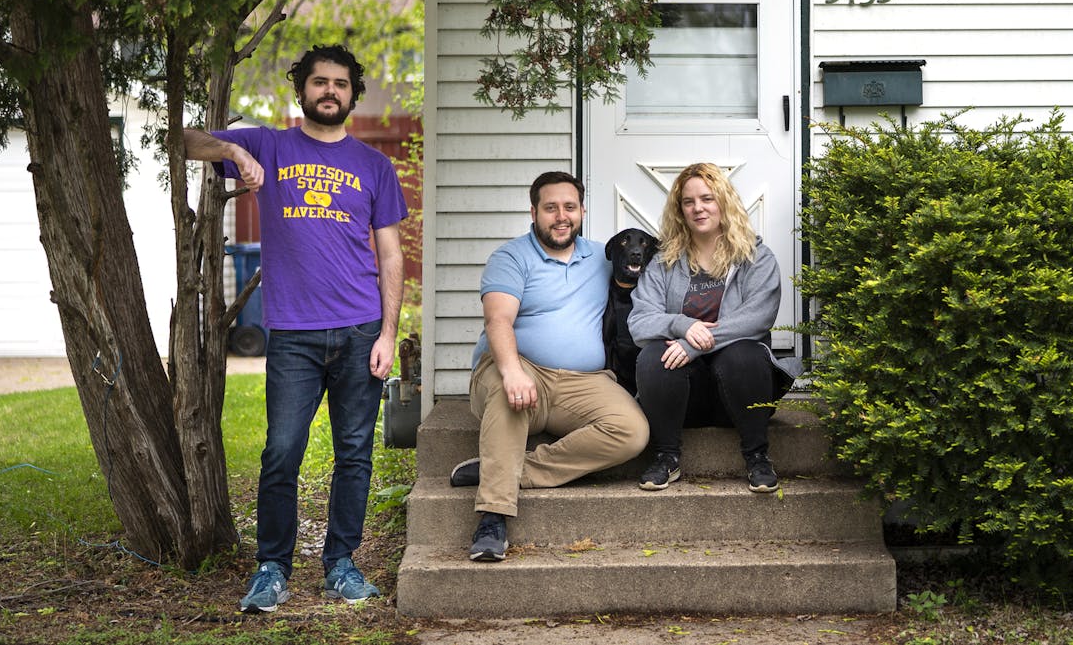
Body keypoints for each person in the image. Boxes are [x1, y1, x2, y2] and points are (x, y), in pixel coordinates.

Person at [183, 45, 408, 613]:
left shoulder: (374, 165)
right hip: (293, 335)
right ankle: (271, 567)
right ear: (301, 89)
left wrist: (387, 334)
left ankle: (341, 564)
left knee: (353, 453)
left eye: (340, 83)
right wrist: (234, 146)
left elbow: (390, 256)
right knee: (282, 451)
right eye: (318, 82)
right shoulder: (271, 143)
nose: (329, 91)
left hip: (360, 331)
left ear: (353, 93)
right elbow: (183, 141)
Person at [449, 171, 648, 562]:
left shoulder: (603, 258)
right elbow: (498, 321)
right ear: (534, 212)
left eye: (569, 207)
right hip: (518, 368)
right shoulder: (511, 257)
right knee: (509, 401)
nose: (561, 216)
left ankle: (508, 468)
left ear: (582, 211)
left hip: (582, 382)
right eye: (551, 208)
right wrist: (511, 371)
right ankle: (493, 519)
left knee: (633, 431)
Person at [627, 162, 794, 493]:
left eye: (707, 198)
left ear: (724, 202)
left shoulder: (755, 257)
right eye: (688, 202)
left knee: (743, 354)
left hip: (739, 391)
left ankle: (758, 456)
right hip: (683, 398)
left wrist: (694, 344)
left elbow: (757, 317)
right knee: (654, 356)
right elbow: (639, 322)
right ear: (680, 210)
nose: (698, 208)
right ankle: (666, 456)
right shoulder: (664, 262)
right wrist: (681, 324)